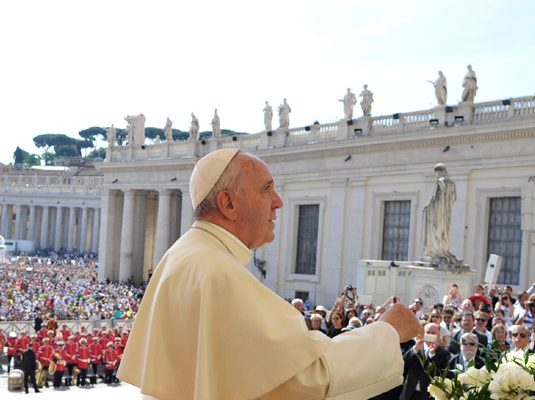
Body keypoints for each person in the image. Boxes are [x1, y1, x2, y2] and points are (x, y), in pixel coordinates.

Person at [118, 148, 421, 399]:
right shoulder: (219, 273)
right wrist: (386, 332)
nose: (279, 201)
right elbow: (305, 379)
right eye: (267, 190)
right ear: (229, 203)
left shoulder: (184, 255)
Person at [400, 323, 451, 400]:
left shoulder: (444, 354)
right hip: (409, 393)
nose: (430, 335)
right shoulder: (415, 348)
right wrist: (415, 349)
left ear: (439, 335)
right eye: (428, 332)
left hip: (428, 396)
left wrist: (431, 355)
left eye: (433, 333)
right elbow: (403, 364)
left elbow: (439, 373)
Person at [422, 163, 459, 266]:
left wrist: (427, 207)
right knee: (444, 233)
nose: (437, 175)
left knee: (436, 231)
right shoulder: (451, 183)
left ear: (440, 172)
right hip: (447, 213)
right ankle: (443, 250)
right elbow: (454, 198)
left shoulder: (440, 182)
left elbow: (435, 198)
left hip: (438, 214)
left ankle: (436, 251)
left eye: (437, 173)